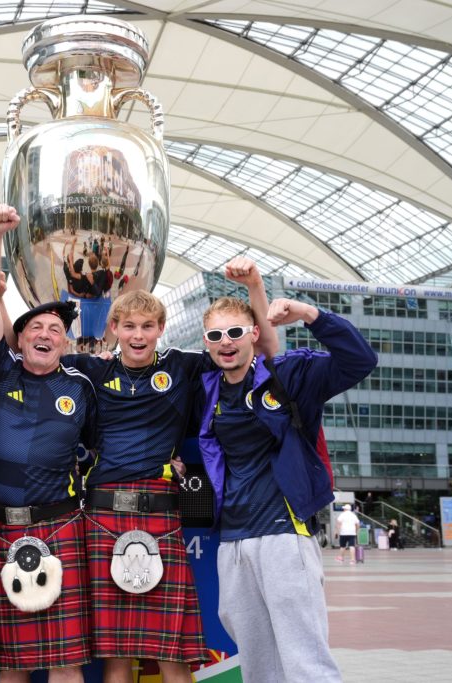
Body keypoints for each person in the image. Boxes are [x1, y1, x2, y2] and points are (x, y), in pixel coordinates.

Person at [57, 257, 276, 683]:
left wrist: (255, 287)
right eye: (130, 326)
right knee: (116, 651)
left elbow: (261, 349)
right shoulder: (90, 370)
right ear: (114, 329)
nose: (138, 335)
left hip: (162, 512)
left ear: (161, 329)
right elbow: (20, 360)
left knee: (172, 649)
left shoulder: (184, 365)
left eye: (147, 326)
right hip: (102, 514)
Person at [198, 296, 377, 683]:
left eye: (235, 332)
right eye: (216, 334)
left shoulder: (289, 375)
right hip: (233, 541)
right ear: (206, 342)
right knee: (258, 666)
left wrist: (312, 315)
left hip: (283, 534)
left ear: (254, 334)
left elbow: (360, 361)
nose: (226, 342)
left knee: (305, 660)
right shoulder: (207, 389)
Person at [0, 204, 96, 682]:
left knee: (64, 661)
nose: (46, 334)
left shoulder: (81, 389)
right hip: (0, 527)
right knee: (11, 664)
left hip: (59, 526)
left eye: (56, 331)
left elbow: (97, 449)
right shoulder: (0, 370)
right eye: (36, 329)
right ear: (18, 340)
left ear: (65, 344)